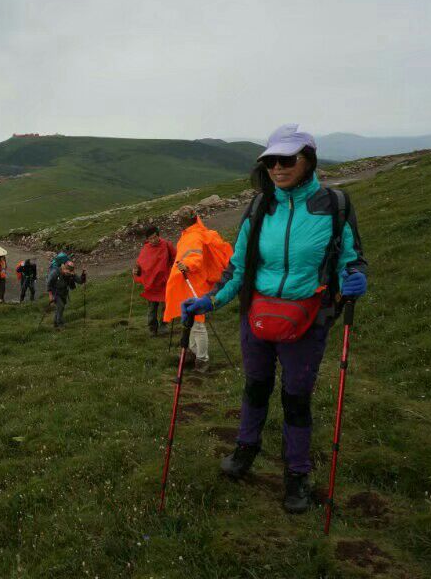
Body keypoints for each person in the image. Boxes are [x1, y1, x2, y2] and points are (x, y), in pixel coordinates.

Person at [182, 124, 367, 514]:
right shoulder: (259, 207)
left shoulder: (335, 206)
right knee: (255, 387)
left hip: (307, 320)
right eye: (270, 161)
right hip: (257, 317)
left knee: (296, 399)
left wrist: (354, 279)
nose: (278, 167)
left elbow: (351, 260)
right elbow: (237, 269)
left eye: (287, 159)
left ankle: (296, 473)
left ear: (308, 160)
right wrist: (210, 301)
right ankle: (247, 448)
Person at [163, 207, 233, 370]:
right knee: (191, 322)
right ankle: (193, 353)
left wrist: (187, 265)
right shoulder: (191, 233)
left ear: (187, 220)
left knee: (197, 324)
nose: (178, 221)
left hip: (193, 283)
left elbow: (195, 257)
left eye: (180, 218)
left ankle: (202, 360)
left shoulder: (193, 236)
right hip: (190, 282)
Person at [133, 225, 176, 335]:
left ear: (158, 235)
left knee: (165, 306)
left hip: (165, 281)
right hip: (151, 283)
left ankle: (163, 326)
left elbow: (175, 259)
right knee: (152, 307)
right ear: (147, 240)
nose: (153, 240)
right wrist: (136, 271)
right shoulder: (146, 249)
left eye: (155, 237)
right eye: (150, 238)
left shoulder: (167, 245)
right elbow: (140, 264)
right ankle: (152, 328)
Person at [46, 260, 87, 329]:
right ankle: (60, 325)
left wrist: (83, 273)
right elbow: (49, 284)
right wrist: (50, 296)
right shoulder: (55, 272)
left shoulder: (71, 274)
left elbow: (80, 281)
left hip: (64, 293)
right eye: (67, 271)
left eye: (70, 271)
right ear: (64, 268)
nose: (69, 273)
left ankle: (55, 324)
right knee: (61, 307)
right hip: (55, 292)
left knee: (59, 308)